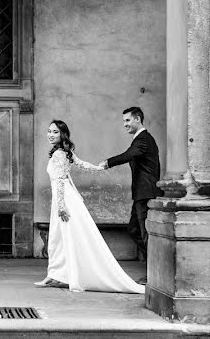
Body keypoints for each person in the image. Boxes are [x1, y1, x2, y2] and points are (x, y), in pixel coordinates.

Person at [34, 120, 144, 294]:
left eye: (55, 132)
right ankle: (55, 274)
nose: (50, 135)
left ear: (63, 134)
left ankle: (58, 275)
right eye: (49, 131)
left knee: (61, 237)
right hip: (64, 198)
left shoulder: (60, 154)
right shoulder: (64, 152)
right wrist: (99, 168)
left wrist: (61, 206)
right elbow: (82, 164)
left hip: (65, 200)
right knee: (60, 237)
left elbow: (61, 180)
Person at [98, 107, 162, 275]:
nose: (124, 124)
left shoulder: (143, 139)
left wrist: (108, 162)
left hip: (145, 193)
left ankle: (154, 274)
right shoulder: (141, 139)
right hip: (141, 193)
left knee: (145, 233)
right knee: (134, 230)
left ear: (138, 119)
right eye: (123, 121)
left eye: (127, 120)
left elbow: (129, 155)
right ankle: (152, 267)